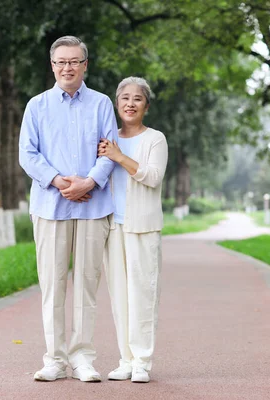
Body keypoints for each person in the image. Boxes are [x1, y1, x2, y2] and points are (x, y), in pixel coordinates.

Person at [19, 35, 118, 383]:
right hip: (49, 206)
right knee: (53, 284)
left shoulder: (103, 103)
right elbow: (28, 154)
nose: (67, 67)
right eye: (61, 61)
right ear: (52, 65)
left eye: (74, 61)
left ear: (85, 65)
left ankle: (83, 358)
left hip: (94, 206)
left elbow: (111, 149)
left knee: (87, 285)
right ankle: (55, 359)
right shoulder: (37, 105)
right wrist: (61, 182)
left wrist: (88, 183)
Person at [97, 77, 168, 383]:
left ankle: (142, 361)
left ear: (146, 106)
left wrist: (119, 157)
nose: (130, 103)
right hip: (113, 227)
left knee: (143, 294)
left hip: (143, 228)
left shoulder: (155, 139)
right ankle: (125, 359)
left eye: (137, 99)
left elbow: (152, 177)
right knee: (119, 296)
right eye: (124, 98)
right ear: (116, 103)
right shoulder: (107, 138)